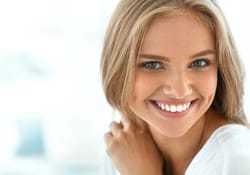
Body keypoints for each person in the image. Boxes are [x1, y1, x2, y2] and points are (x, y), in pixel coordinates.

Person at [100, 0, 250, 174]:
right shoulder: (123, 148)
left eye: (199, 63)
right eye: (153, 64)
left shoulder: (236, 162)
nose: (180, 91)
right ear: (118, 68)